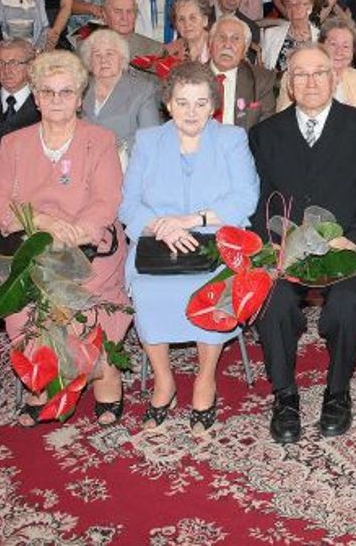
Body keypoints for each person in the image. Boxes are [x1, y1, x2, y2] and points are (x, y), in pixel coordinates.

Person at [249, 42, 356, 444]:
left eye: (318, 73)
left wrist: (352, 240)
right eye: (300, 74)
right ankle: (285, 396)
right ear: (289, 85)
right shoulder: (265, 134)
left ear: (333, 78)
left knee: (346, 305)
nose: (310, 81)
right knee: (272, 301)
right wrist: (271, 244)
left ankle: (337, 391)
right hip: (285, 249)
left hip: (348, 245)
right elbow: (257, 200)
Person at [0, 49, 131, 425]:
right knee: (21, 306)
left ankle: (103, 371)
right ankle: (43, 381)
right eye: (47, 92)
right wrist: (43, 221)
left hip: (92, 244)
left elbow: (107, 199)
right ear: (35, 97)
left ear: (80, 98)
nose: (56, 100)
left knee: (83, 300)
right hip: (33, 245)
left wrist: (76, 234)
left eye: (65, 92)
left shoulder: (98, 139)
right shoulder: (13, 144)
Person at [120, 61, 259, 433]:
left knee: (213, 289)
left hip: (215, 238)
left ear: (213, 104)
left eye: (200, 103)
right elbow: (128, 204)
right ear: (168, 103)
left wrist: (192, 220)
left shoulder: (231, 138)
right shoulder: (148, 141)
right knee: (148, 291)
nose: (191, 112)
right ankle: (163, 379)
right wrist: (159, 226)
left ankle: (204, 378)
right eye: (182, 102)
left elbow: (246, 198)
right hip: (157, 243)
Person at [80, 29, 161, 162]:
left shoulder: (142, 90)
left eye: (110, 54)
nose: (103, 60)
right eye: (97, 55)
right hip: (83, 166)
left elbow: (150, 140)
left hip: (126, 167)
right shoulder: (80, 89)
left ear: (122, 57)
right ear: (89, 60)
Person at [278, 17, 356, 112]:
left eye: (346, 46)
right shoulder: (295, 78)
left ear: (353, 51)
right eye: (333, 44)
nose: (339, 52)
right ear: (321, 46)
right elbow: (283, 122)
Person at [208, 16, 276, 129]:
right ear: (209, 43)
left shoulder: (261, 80)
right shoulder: (189, 77)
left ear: (245, 50)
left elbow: (265, 130)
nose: (227, 45)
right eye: (221, 37)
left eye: (236, 39)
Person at [262, 0, 319, 73]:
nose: (293, 7)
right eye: (289, 4)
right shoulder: (271, 34)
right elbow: (263, 68)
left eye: (298, 3)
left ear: (310, 7)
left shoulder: (321, 37)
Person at [100, 0, 165, 59]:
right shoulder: (90, 47)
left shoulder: (154, 50)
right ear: (104, 14)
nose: (124, 18)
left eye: (129, 11)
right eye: (117, 11)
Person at [166, 0, 215, 64]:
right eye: (181, 19)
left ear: (205, 20)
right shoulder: (171, 50)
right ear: (176, 25)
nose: (187, 24)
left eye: (192, 18)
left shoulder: (218, 48)